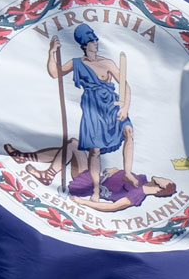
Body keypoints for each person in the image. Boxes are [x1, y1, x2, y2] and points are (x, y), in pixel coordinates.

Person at [46, 24, 134, 201]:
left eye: (95, 40)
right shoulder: (77, 63)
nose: (96, 43)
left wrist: (125, 107)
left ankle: (128, 173)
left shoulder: (107, 62)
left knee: (129, 132)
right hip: (92, 108)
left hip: (111, 104)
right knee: (95, 150)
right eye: (92, 41)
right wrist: (51, 53)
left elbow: (125, 85)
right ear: (85, 44)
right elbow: (55, 73)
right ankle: (95, 189)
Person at [3, 139, 175, 212]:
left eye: (167, 181)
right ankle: (24, 157)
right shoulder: (142, 179)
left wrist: (83, 202)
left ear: (161, 187)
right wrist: (115, 170)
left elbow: (112, 207)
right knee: (72, 146)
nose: (165, 177)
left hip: (87, 184)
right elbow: (121, 175)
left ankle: (47, 174)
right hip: (94, 174)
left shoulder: (137, 195)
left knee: (72, 146)